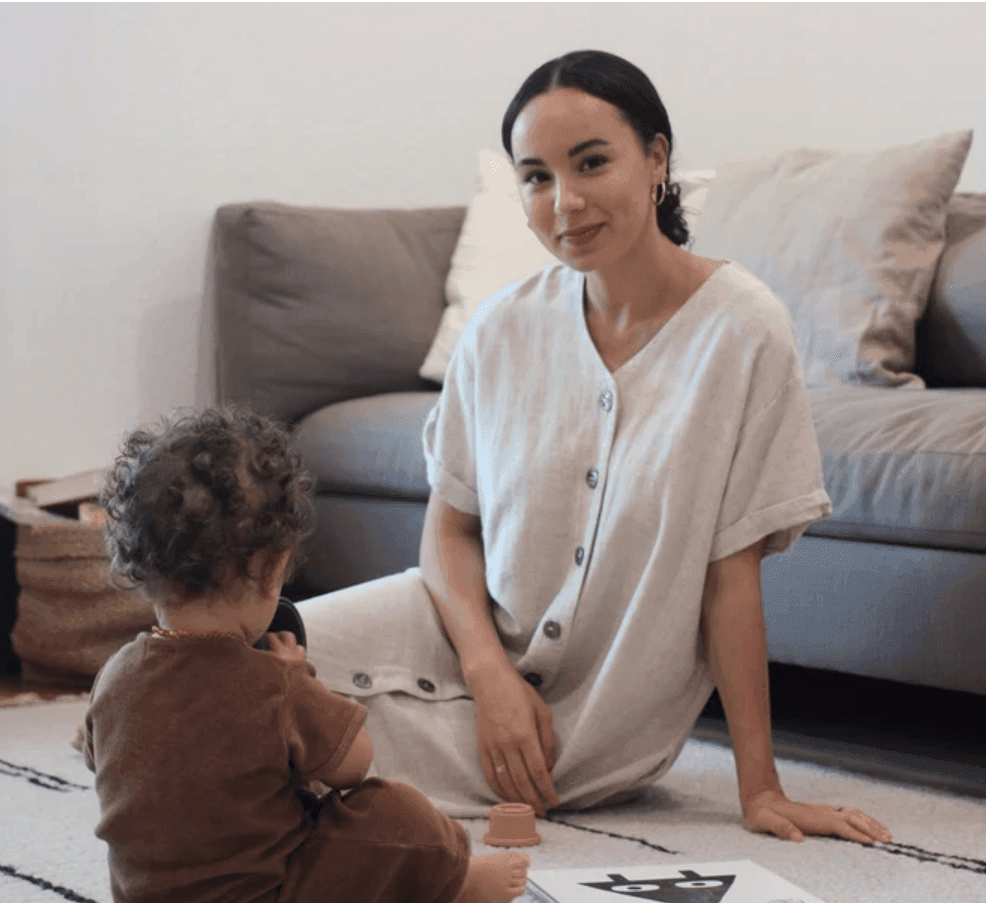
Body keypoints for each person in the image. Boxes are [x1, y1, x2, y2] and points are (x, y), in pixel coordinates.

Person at [298, 50, 892, 848]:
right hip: (448, 628)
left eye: (591, 163)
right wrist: (489, 672)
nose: (564, 202)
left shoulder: (743, 330)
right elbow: (448, 531)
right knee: (222, 669)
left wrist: (763, 789)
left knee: (264, 747)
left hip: (578, 732)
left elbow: (731, 576)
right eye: (536, 177)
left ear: (657, 159)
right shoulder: (500, 329)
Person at [82, 407, 529, 903]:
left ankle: (374, 896)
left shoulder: (115, 676)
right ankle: (449, 889)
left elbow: (110, 765)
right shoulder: (272, 683)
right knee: (395, 814)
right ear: (272, 569)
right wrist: (299, 676)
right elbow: (353, 768)